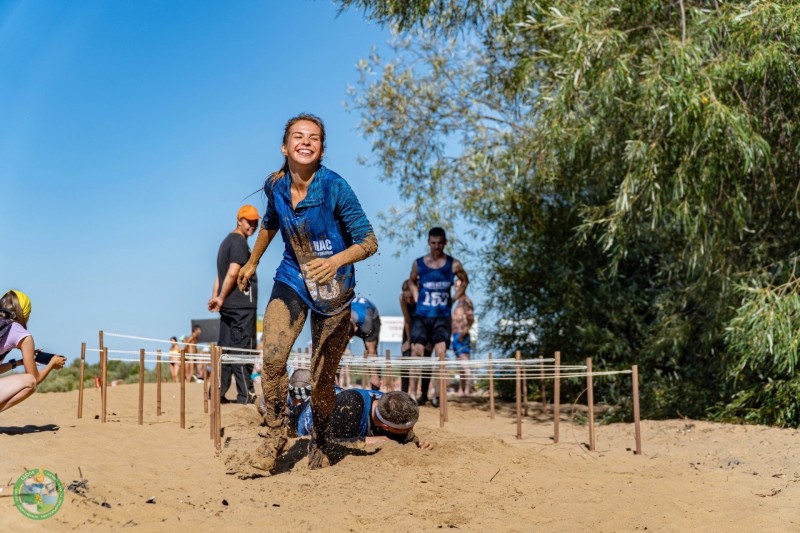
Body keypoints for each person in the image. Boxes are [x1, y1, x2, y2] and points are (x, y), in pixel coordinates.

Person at [237, 113, 378, 471]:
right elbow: (270, 223)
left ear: (321, 148)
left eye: (313, 137)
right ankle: (275, 437)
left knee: (322, 378)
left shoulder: (335, 187)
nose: (305, 141)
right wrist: (253, 262)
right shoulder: (275, 186)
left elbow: (368, 241)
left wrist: (335, 261)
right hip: (293, 277)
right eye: (298, 136)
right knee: (271, 356)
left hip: (335, 289)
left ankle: (320, 436)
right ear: (284, 147)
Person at [408, 227, 468, 407]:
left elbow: (465, 280)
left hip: (442, 316)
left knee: (440, 353)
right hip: (422, 314)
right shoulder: (419, 263)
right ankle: (411, 394)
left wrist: (456, 296)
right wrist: (415, 293)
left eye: (439, 243)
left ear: (445, 243)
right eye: (433, 243)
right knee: (416, 352)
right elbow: (411, 280)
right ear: (428, 243)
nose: (436, 247)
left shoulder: (453, 264)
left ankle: (437, 395)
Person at [208, 205, 260, 405]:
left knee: (225, 350)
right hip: (241, 307)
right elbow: (231, 272)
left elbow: (219, 276)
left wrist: (216, 297)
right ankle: (245, 396)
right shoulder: (238, 242)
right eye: (249, 221)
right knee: (242, 351)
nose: (253, 226)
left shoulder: (226, 242)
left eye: (256, 222)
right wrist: (220, 298)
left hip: (230, 306)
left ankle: (216, 395)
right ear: (239, 220)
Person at [295, 388, 430, 449]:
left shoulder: (389, 403)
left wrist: (417, 443)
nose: (411, 430)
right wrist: (364, 441)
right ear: (386, 427)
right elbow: (322, 441)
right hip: (303, 417)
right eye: (407, 429)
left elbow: (405, 436)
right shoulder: (350, 408)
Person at [0, 290, 66, 412]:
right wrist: (52, 363)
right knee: (29, 382)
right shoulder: (22, 335)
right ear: (24, 313)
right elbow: (35, 378)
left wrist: (18, 363)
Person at [400, 280, 431, 400]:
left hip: (426, 327)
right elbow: (407, 321)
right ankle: (405, 393)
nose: (409, 300)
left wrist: (428, 341)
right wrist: (409, 340)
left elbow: (429, 321)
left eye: (411, 297)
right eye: (406, 297)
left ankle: (424, 394)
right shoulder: (402, 299)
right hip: (410, 328)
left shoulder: (425, 299)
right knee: (406, 358)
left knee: (426, 360)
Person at [349, 295, 381, 390]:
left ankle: (375, 385)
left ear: (356, 328)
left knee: (371, 349)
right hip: (354, 314)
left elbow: (371, 352)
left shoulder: (367, 323)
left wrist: (374, 375)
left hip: (371, 315)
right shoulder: (341, 322)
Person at [451, 278, 475, 395]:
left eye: (459, 286)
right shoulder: (458, 302)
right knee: (459, 365)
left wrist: (463, 333)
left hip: (462, 336)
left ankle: (468, 390)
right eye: (456, 286)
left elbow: (471, 319)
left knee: (465, 364)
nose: (457, 288)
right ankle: (461, 388)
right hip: (455, 336)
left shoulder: (466, 301)